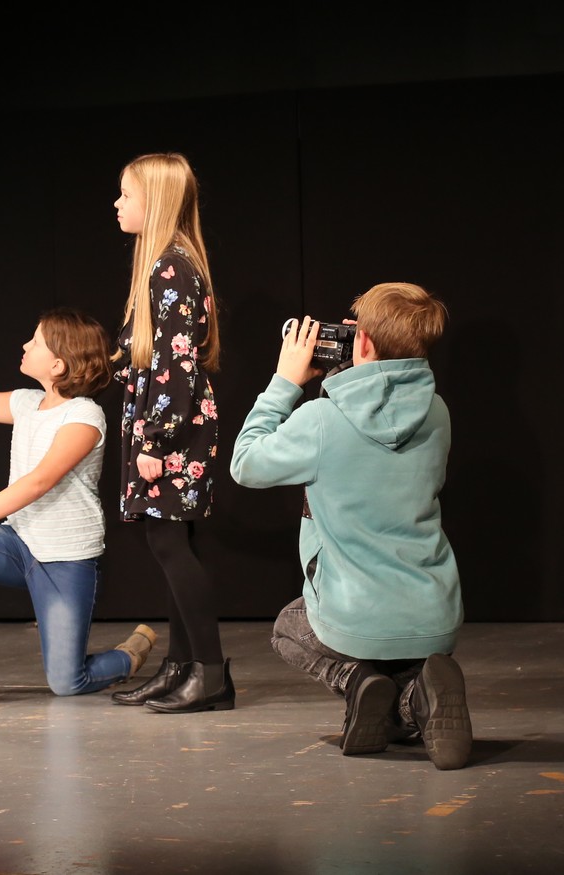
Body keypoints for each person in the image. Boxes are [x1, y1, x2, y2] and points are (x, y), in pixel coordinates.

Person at [229, 283, 472, 769]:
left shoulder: (321, 419)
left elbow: (245, 464)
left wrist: (285, 382)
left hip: (355, 616)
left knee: (289, 627)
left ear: (361, 341)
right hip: (434, 615)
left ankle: (360, 682)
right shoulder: (437, 412)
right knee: (399, 650)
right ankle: (419, 693)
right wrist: (352, 375)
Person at [0, 308, 158, 708]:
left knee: (67, 682)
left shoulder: (85, 416)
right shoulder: (27, 403)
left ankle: (129, 655)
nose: (25, 345)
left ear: (58, 365)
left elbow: (39, 481)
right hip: (19, 544)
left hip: (65, 559)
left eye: (35, 342)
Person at [108, 152, 233, 713]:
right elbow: (148, 356)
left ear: (153, 202)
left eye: (126, 195)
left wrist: (155, 440)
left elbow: (176, 364)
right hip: (165, 418)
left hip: (172, 426)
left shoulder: (170, 269)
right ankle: (182, 667)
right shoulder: (162, 264)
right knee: (170, 542)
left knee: (168, 542)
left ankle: (210, 673)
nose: (117, 204)